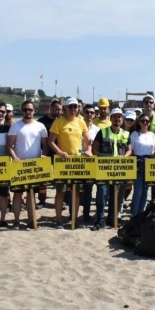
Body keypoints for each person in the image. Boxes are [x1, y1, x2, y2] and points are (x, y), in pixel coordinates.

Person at [48, 97, 92, 229]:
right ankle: (59, 220)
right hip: (62, 162)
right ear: (65, 108)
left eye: (75, 107)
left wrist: (89, 150)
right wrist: (60, 152)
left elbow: (88, 139)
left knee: (77, 192)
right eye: (70, 107)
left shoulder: (81, 122)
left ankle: (74, 219)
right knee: (61, 191)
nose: (73, 109)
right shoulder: (58, 122)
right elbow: (51, 141)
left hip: (77, 162)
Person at [7, 100, 48, 228]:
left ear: (34, 111)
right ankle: (17, 220)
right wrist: (15, 158)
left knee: (31, 194)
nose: (27, 112)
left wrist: (43, 156)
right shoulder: (15, 126)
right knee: (18, 194)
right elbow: (9, 146)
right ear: (22, 110)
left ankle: (31, 220)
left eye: (30, 109)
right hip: (19, 165)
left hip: (35, 166)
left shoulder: (40, 126)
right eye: (25, 109)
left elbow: (45, 146)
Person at [91, 108, 131, 230]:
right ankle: (100, 219)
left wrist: (123, 158)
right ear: (110, 118)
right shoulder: (102, 132)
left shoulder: (125, 133)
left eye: (119, 117)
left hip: (117, 170)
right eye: (115, 116)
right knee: (102, 194)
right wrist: (101, 161)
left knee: (115, 195)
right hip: (103, 170)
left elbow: (129, 150)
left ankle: (112, 218)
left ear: (122, 119)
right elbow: (94, 148)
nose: (117, 119)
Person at [36, 99, 62, 209]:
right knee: (43, 180)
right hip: (45, 153)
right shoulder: (41, 122)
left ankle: (62, 201)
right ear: (50, 108)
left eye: (60, 109)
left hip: (59, 153)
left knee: (60, 179)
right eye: (56, 109)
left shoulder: (62, 121)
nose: (58, 111)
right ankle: (42, 201)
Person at [129, 114, 155, 217]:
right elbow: (131, 150)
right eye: (143, 121)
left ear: (149, 123)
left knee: (145, 191)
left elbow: (153, 151)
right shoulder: (135, 134)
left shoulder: (152, 135)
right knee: (138, 191)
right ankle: (134, 214)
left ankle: (141, 214)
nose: (145, 123)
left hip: (149, 163)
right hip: (138, 164)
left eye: (147, 121)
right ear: (139, 122)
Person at [81, 104, 101, 224]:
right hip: (81, 163)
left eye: (92, 112)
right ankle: (85, 214)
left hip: (94, 163)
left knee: (97, 191)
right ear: (83, 113)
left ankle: (96, 214)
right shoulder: (78, 127)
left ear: (95, 115)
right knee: (85, 191)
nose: (89, 114)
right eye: (87, 112)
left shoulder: (97, 130)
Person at [141, 94, 155, 202]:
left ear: (154, 105)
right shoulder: (138, 119)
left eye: (151, 102)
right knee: (141, 185)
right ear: (143, 104)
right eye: (146, 102)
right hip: (142, 156)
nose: (148, 104)